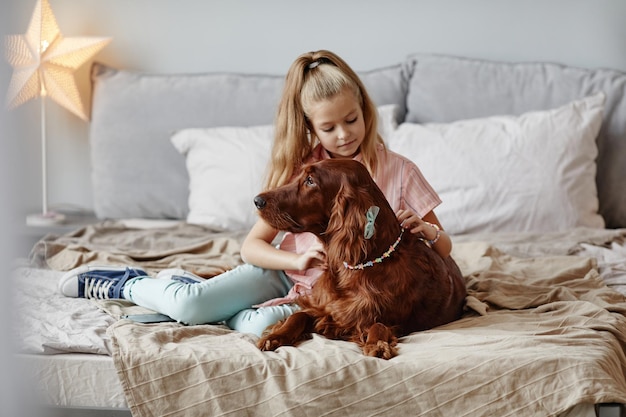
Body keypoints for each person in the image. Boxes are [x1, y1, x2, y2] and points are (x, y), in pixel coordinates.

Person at [59, 50, 453, 337]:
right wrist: (295, 258)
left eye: (352, 120)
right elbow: (252, 247)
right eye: (329, 127)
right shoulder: (302, 169)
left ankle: (203, 309)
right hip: (282, 276)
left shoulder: (400, 170)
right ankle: (126, 283)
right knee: (189, 303)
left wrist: (429, 232)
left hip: (331, 296)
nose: (344, 134)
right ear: (311, 128)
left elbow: (445, 248)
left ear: (365, 110)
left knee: (264, 325)